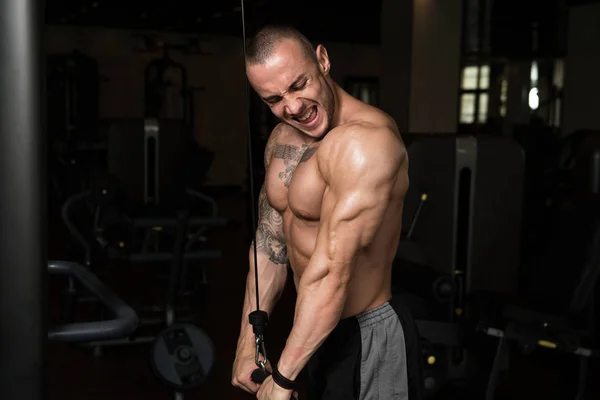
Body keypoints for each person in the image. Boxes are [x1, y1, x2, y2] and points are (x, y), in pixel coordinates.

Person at [232, 24, 423, 400]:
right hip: (311, 331)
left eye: (298, 85)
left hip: (367, 337)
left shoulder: (367, 143)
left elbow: (332, 272)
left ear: (322, 60)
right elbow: (270, 242)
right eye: (273, 99)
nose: (292, 107)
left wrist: (284, 379)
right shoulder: (282, 138)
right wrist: (247, 341)